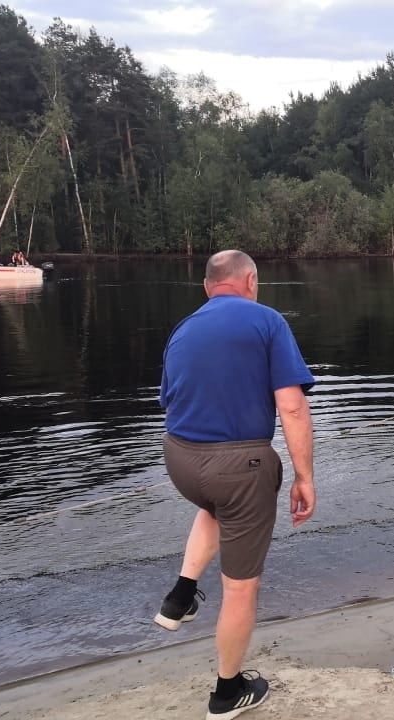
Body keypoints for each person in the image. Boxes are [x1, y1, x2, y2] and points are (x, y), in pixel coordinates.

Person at [154, 249, 316, 719]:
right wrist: (304, 477)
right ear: (251, 281)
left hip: (179, 460)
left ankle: (180, 595)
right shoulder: (267, 321)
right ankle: (228, 692)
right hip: (239, 469)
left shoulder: (183, 328)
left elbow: (172, 398)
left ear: (208, 288)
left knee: (214, 507)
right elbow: (292, 407)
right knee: (241, 588)